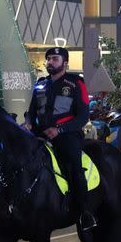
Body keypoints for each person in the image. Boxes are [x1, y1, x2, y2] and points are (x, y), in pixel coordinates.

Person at [27, 47, 96, 230]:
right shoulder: (40, 84)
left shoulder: (76, 83)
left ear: (65, 63)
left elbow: (82, 117)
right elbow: (32, 111)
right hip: (40, 134)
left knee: (74, 166)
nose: (50, 62)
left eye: (55, 58)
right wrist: (28, 123)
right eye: (48, 59)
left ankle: (84, 212)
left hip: (67, 135)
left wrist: (60, 129)